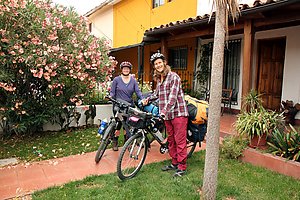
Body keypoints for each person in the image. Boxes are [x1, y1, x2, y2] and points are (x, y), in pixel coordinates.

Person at [145, 52, 189, 177]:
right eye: (155, 64)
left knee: (179, 141)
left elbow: (172, 98)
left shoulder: (173, 77)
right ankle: (174, 162)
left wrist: (163, 112)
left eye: (159, 62)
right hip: (167, 115)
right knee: (171, 140)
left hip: (178, 113)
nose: (158, 65)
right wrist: (147, 100)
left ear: (164, 63)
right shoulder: (160, 79)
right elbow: (156, 94)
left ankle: (182, 166)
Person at [110, 61, 143, 151]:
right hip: (118, 105)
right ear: (122, 69)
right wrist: (110, 97)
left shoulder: (133, 80)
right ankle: (115, 140)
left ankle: (126, 141)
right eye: (124, 68)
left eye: (127, 68)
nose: (126, 70)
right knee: (119, 123)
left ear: (130, 70)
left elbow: (138, 92)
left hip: (128, 105)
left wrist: (142, 98)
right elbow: (112, 92)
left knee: (127, 124)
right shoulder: (116, 80)